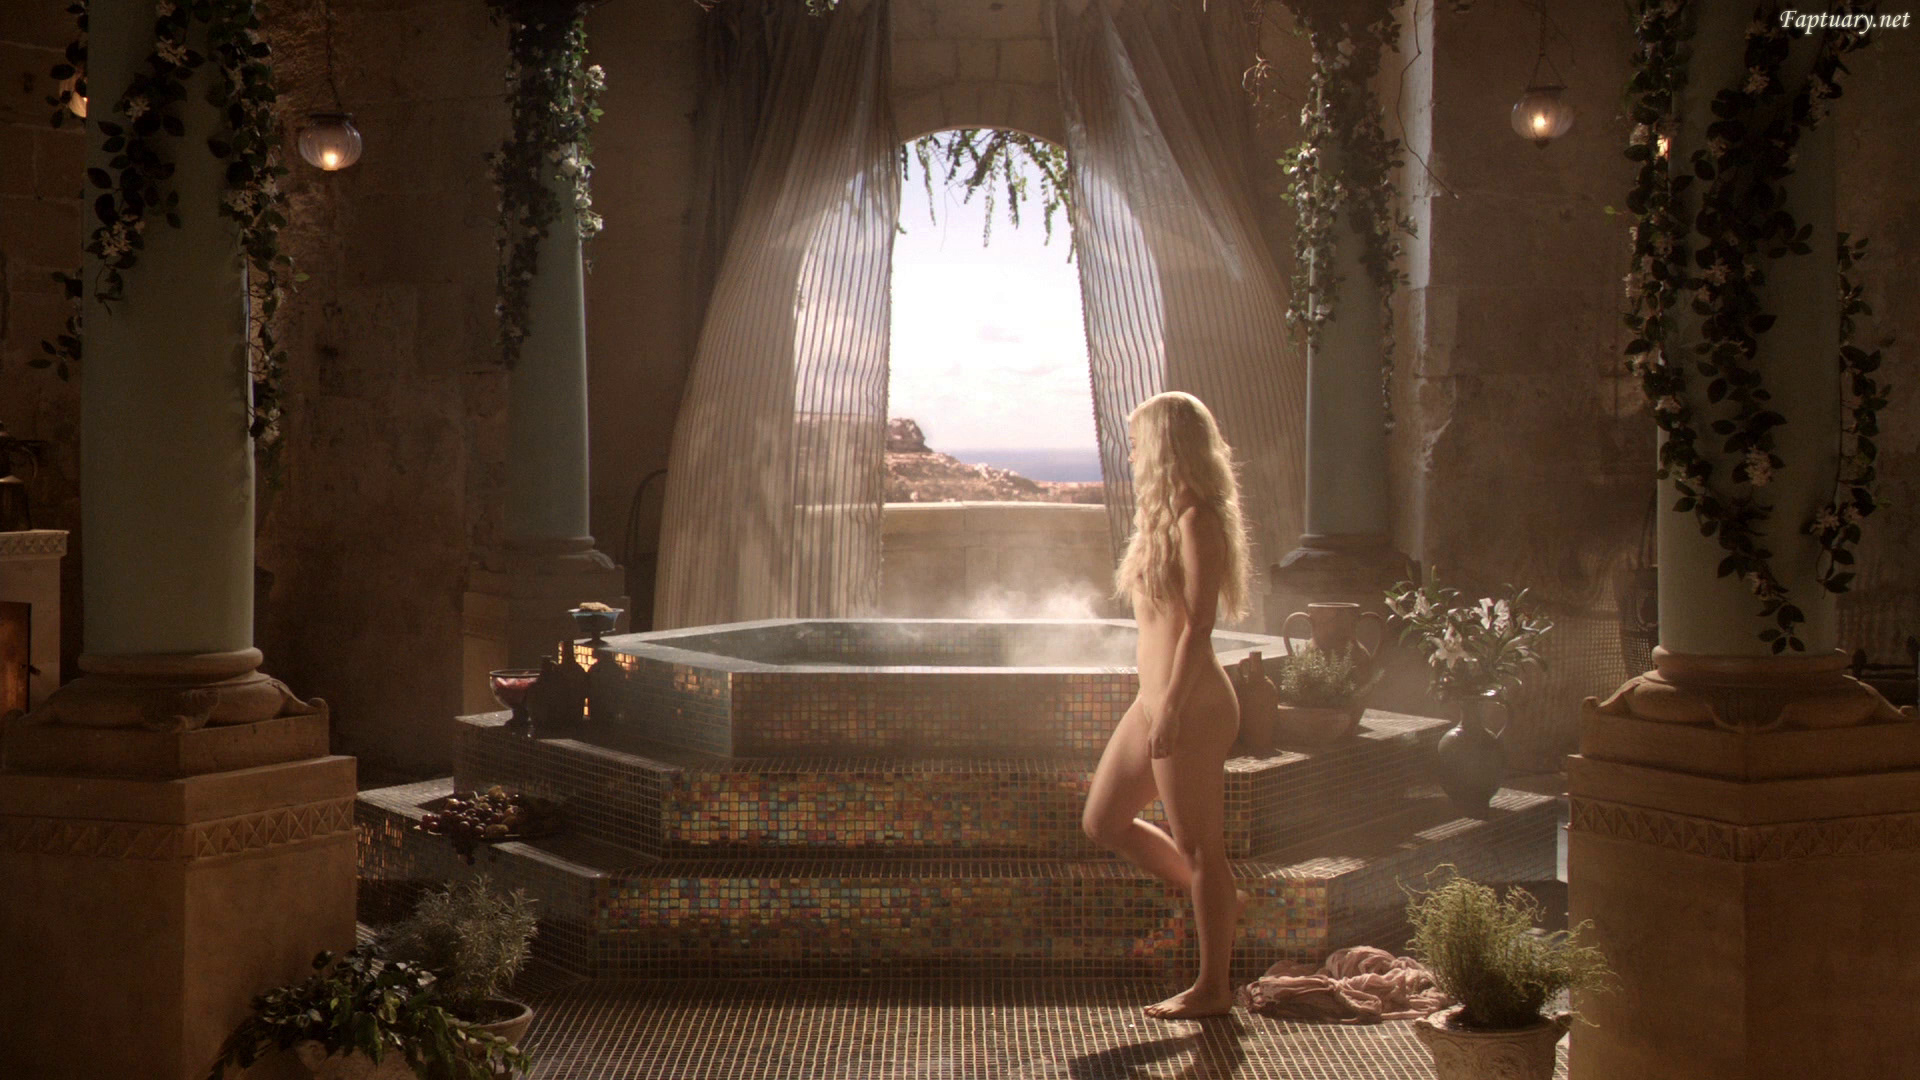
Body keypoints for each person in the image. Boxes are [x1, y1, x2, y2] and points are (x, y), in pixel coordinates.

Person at [1081, 390, 1252, 1020]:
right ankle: (1221, 901)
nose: (1131, 455)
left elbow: (1199, 626)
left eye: (1136, 444)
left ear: (1164, 446)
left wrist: (1173, 708)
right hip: (1153, 700)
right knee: (1103, 822)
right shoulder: (1161, 522)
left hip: (1192, 702)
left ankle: (1213, 988)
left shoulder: (1197, 520)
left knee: (1202, 848)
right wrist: (1155, 705)